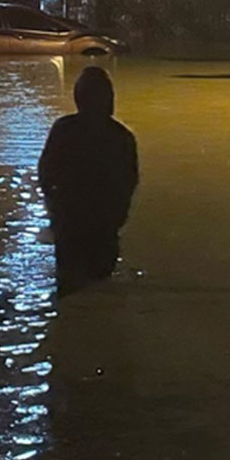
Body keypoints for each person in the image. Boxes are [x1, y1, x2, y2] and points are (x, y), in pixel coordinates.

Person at [38, 67, 139, 293]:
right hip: (102, 224)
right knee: (101, 287)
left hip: (70, 222)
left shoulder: (63, 129)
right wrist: (118, 215)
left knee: (69, 287)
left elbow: (45, 172)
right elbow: (129, 181)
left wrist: (54, 207)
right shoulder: (121, 136)